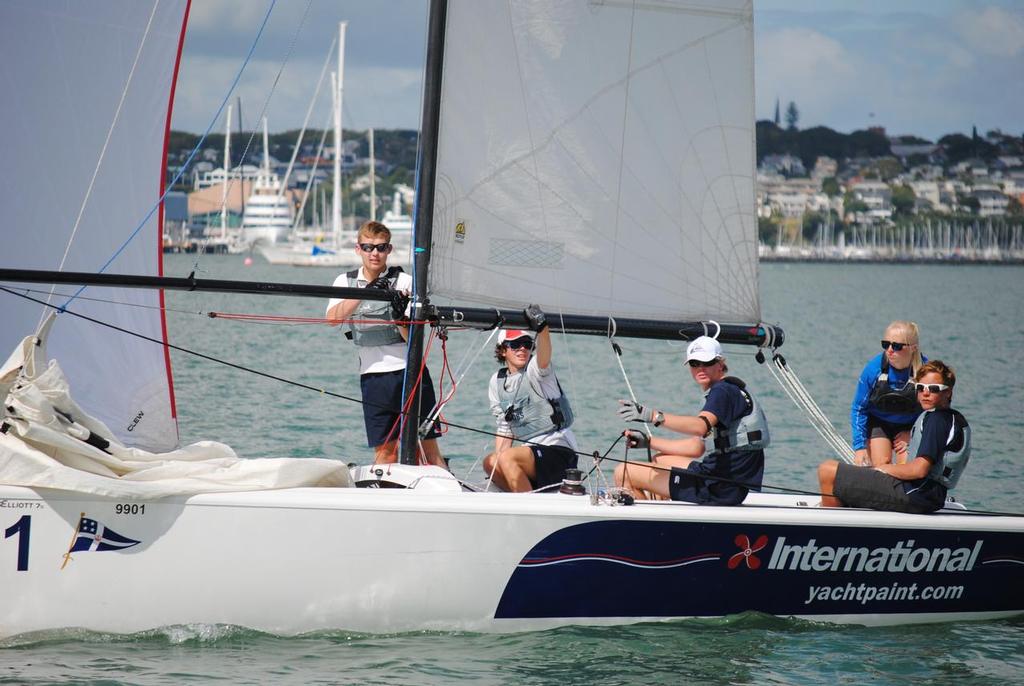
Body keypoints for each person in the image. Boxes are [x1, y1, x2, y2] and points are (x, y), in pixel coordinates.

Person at [325, 220, 444, 467]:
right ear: (358, 249)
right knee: (385, 453)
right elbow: (333, 319)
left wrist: (400, 317)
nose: (375, 253)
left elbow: (411, 339)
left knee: (427, 450)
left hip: (409, 373)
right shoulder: (344, 281)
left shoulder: (405, 282)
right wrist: (367, 291)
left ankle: (448, 501)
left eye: (381, 247)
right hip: (373, 377)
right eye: (368, 247)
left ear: (389, 250)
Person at [614, 336, 770, 505]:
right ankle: (667, 513)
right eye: (695, 364)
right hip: (726, 483)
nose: (700, 368)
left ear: (720, 363)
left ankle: (650, 526)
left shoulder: (722, 392)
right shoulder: (728, 390)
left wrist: (652, 416)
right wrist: (649, 442)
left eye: (707, 362)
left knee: (623, 472)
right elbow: (697, 446)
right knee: (661, 460)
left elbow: (700, 427)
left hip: (717, 486)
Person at [820, 360, 970, 514]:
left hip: (915, 494)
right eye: (920, 387)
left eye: (933, 389)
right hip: (927, 494)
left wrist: (883, 469)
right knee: (843, 482)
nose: (925, 393)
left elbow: (920, 470)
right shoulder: (951, 418)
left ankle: (828, 529)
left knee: (828, 471)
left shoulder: (936, 420)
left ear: (948, 392)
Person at [483, 305, 578, 492]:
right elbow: (504, 427)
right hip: (532, 455)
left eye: (527, 344)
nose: (522, 349)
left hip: (559, 451)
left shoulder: (537, 370)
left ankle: (529, 506)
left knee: (506, 458)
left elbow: (544, 357)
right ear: (503, 350)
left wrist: (542, 328)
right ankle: (526, 497)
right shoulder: (497, 382)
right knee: (491, 462)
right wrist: (499, 467)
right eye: (515, 345)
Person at [851, 320, 926, 466]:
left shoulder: (925, 373)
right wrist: (860, 448)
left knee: (906, 468)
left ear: (913, 348)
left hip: (910, 426)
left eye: (897, 346)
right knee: (882, 465)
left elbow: (933, 412)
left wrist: (913, 434)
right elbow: (859, 408)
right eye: (886, 344)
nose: (890, 350)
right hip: (879, 423)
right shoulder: (873, 370)